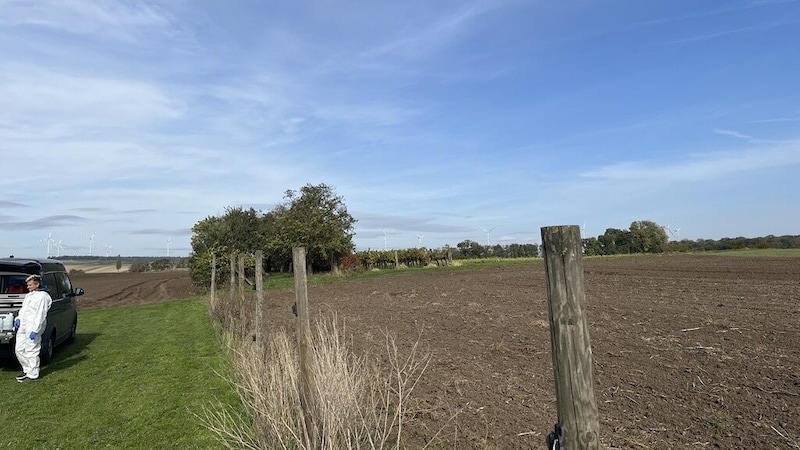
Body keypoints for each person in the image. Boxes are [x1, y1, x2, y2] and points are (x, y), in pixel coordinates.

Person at [13, 274, 53, 382]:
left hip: (33, 326)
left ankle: (33, 374)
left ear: (37, 284)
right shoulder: (29, 296)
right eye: (28, 284)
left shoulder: (43, 297)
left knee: (32, 350)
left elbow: (41, 314)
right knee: (19, 349)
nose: (28, 287)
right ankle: (27, 369)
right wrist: (19, 318)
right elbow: (24, 309)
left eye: (30, 285)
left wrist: (35, 330)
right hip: (24, 325)